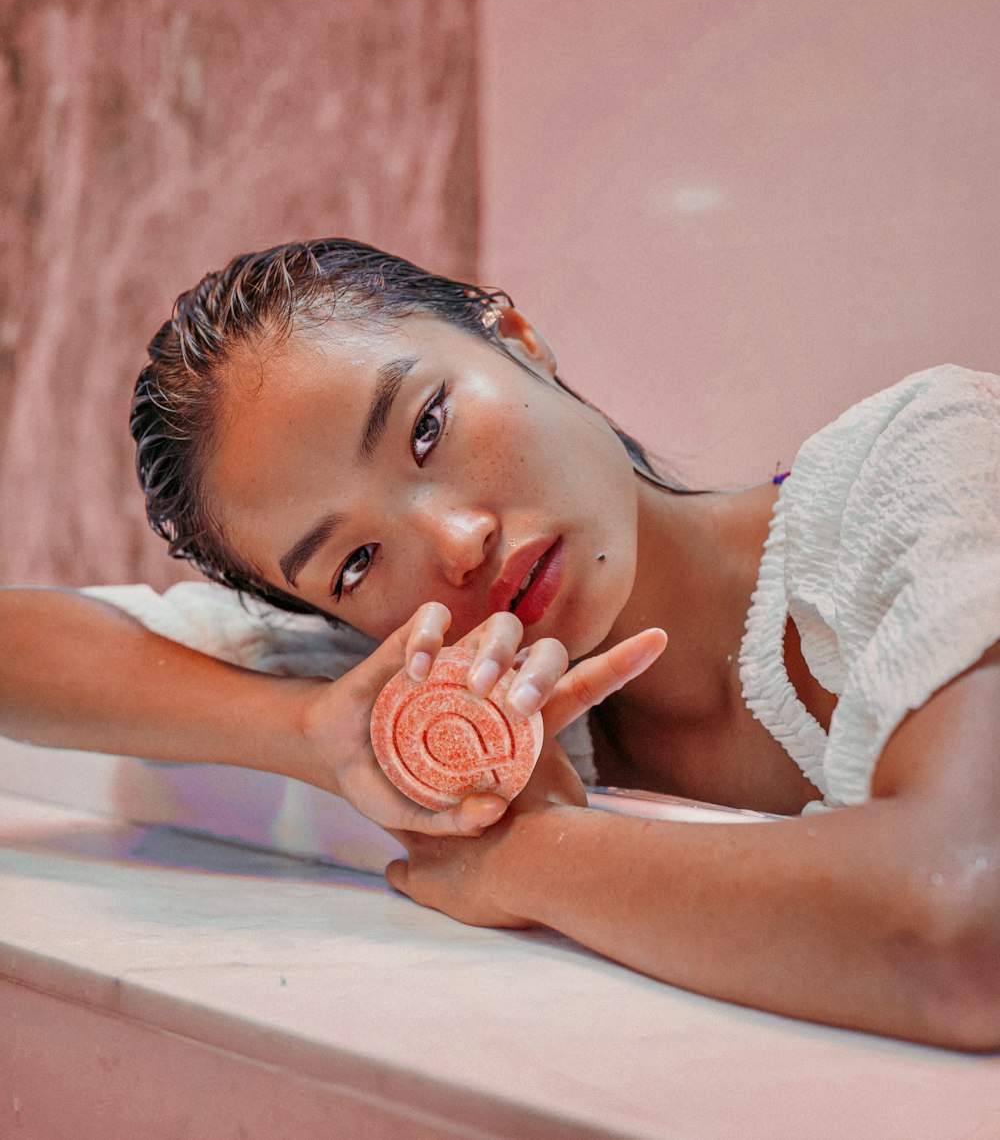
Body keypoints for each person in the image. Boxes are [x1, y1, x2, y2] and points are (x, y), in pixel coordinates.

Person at [12, 236, 1000, 1050]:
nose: (454, 541)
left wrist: (527, 860)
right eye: (355, 562)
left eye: (427, 425)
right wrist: (306, 725)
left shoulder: (925, 462)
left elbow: (960, 931)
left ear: (518, 339)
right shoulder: (442, 688)